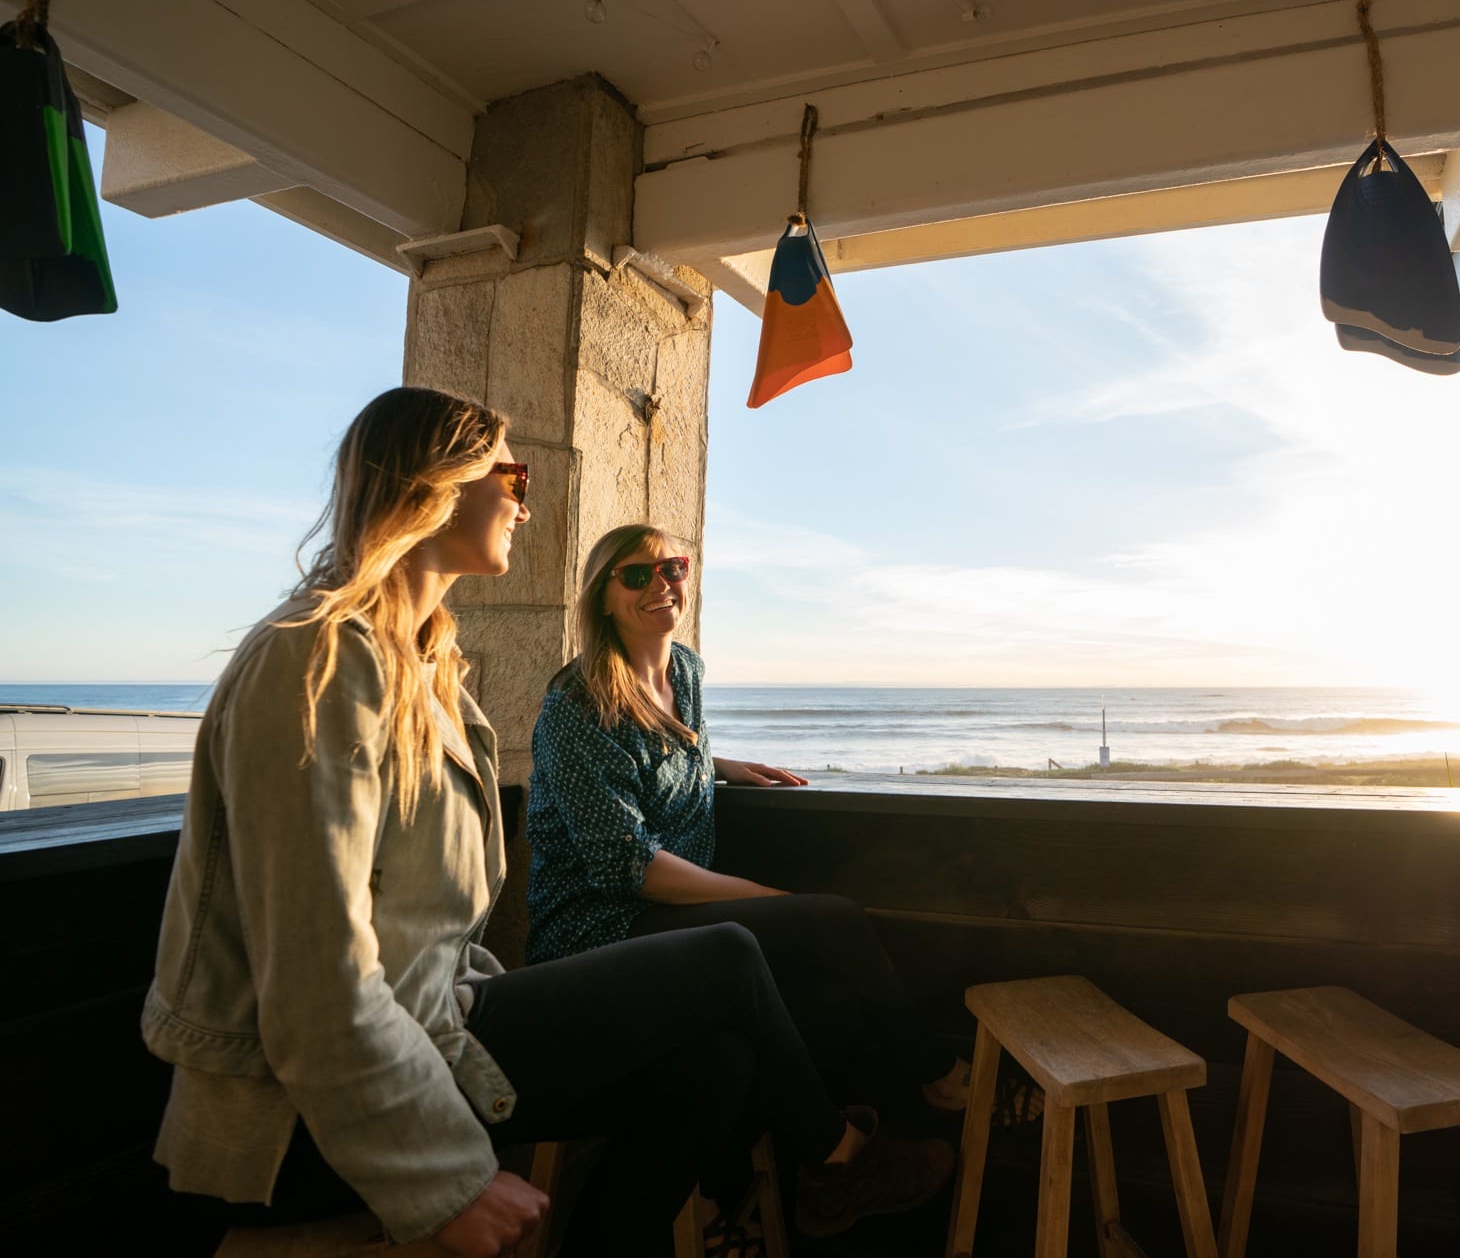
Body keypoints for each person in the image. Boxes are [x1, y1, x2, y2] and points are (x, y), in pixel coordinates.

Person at [142, 388, 952, 1258]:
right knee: (731, 957)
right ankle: (843, 1156)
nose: (527, 503)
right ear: (437, 484)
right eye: (512, 474)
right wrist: (444, 1182)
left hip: (443, 1026)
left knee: (718, 1059)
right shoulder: (313, 663)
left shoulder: (423, 667)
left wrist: (715, 764)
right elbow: (313, 985)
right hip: (296, 1117)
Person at [524, 523, 1040, 1124]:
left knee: (819, 997)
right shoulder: (578, 703)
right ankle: (938, 1079)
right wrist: (765, 898)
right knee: (828, 918)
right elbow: (628, 867)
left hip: (667, 917)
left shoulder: (684, 672)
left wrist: (713, 763)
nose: (661, 585)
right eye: (637, 575)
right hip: (597, 930)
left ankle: (823, 1159)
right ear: (603, 599)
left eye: (673, 568)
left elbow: (640, 757)